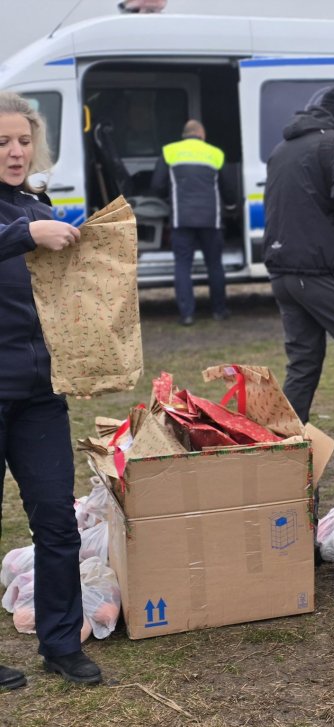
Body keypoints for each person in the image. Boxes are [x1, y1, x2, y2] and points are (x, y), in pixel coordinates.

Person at [0, 91, 103, 689]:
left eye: (23, 140)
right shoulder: (24, 218)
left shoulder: (35, 202)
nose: (16, 152)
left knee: (58, 523)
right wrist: (25, 232)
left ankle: (61, 643)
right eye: (3, 142)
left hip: (41, 390)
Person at [263, 85, 334, 423]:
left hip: (282, 274)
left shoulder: (282, 148)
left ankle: (286, 448)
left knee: (303, 361)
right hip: (318, 271)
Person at [150, 119, 230, 326]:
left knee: (183, 265)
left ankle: (187, 314)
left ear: (184, 135)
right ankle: (219, 311)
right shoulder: (215, 153)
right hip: (211, 220)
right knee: (214, 264)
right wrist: (230, 206)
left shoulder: (169, 151)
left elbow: (156, 185)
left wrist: (170, 196)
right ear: (201, 135)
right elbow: (228, 189)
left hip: (181, 218)